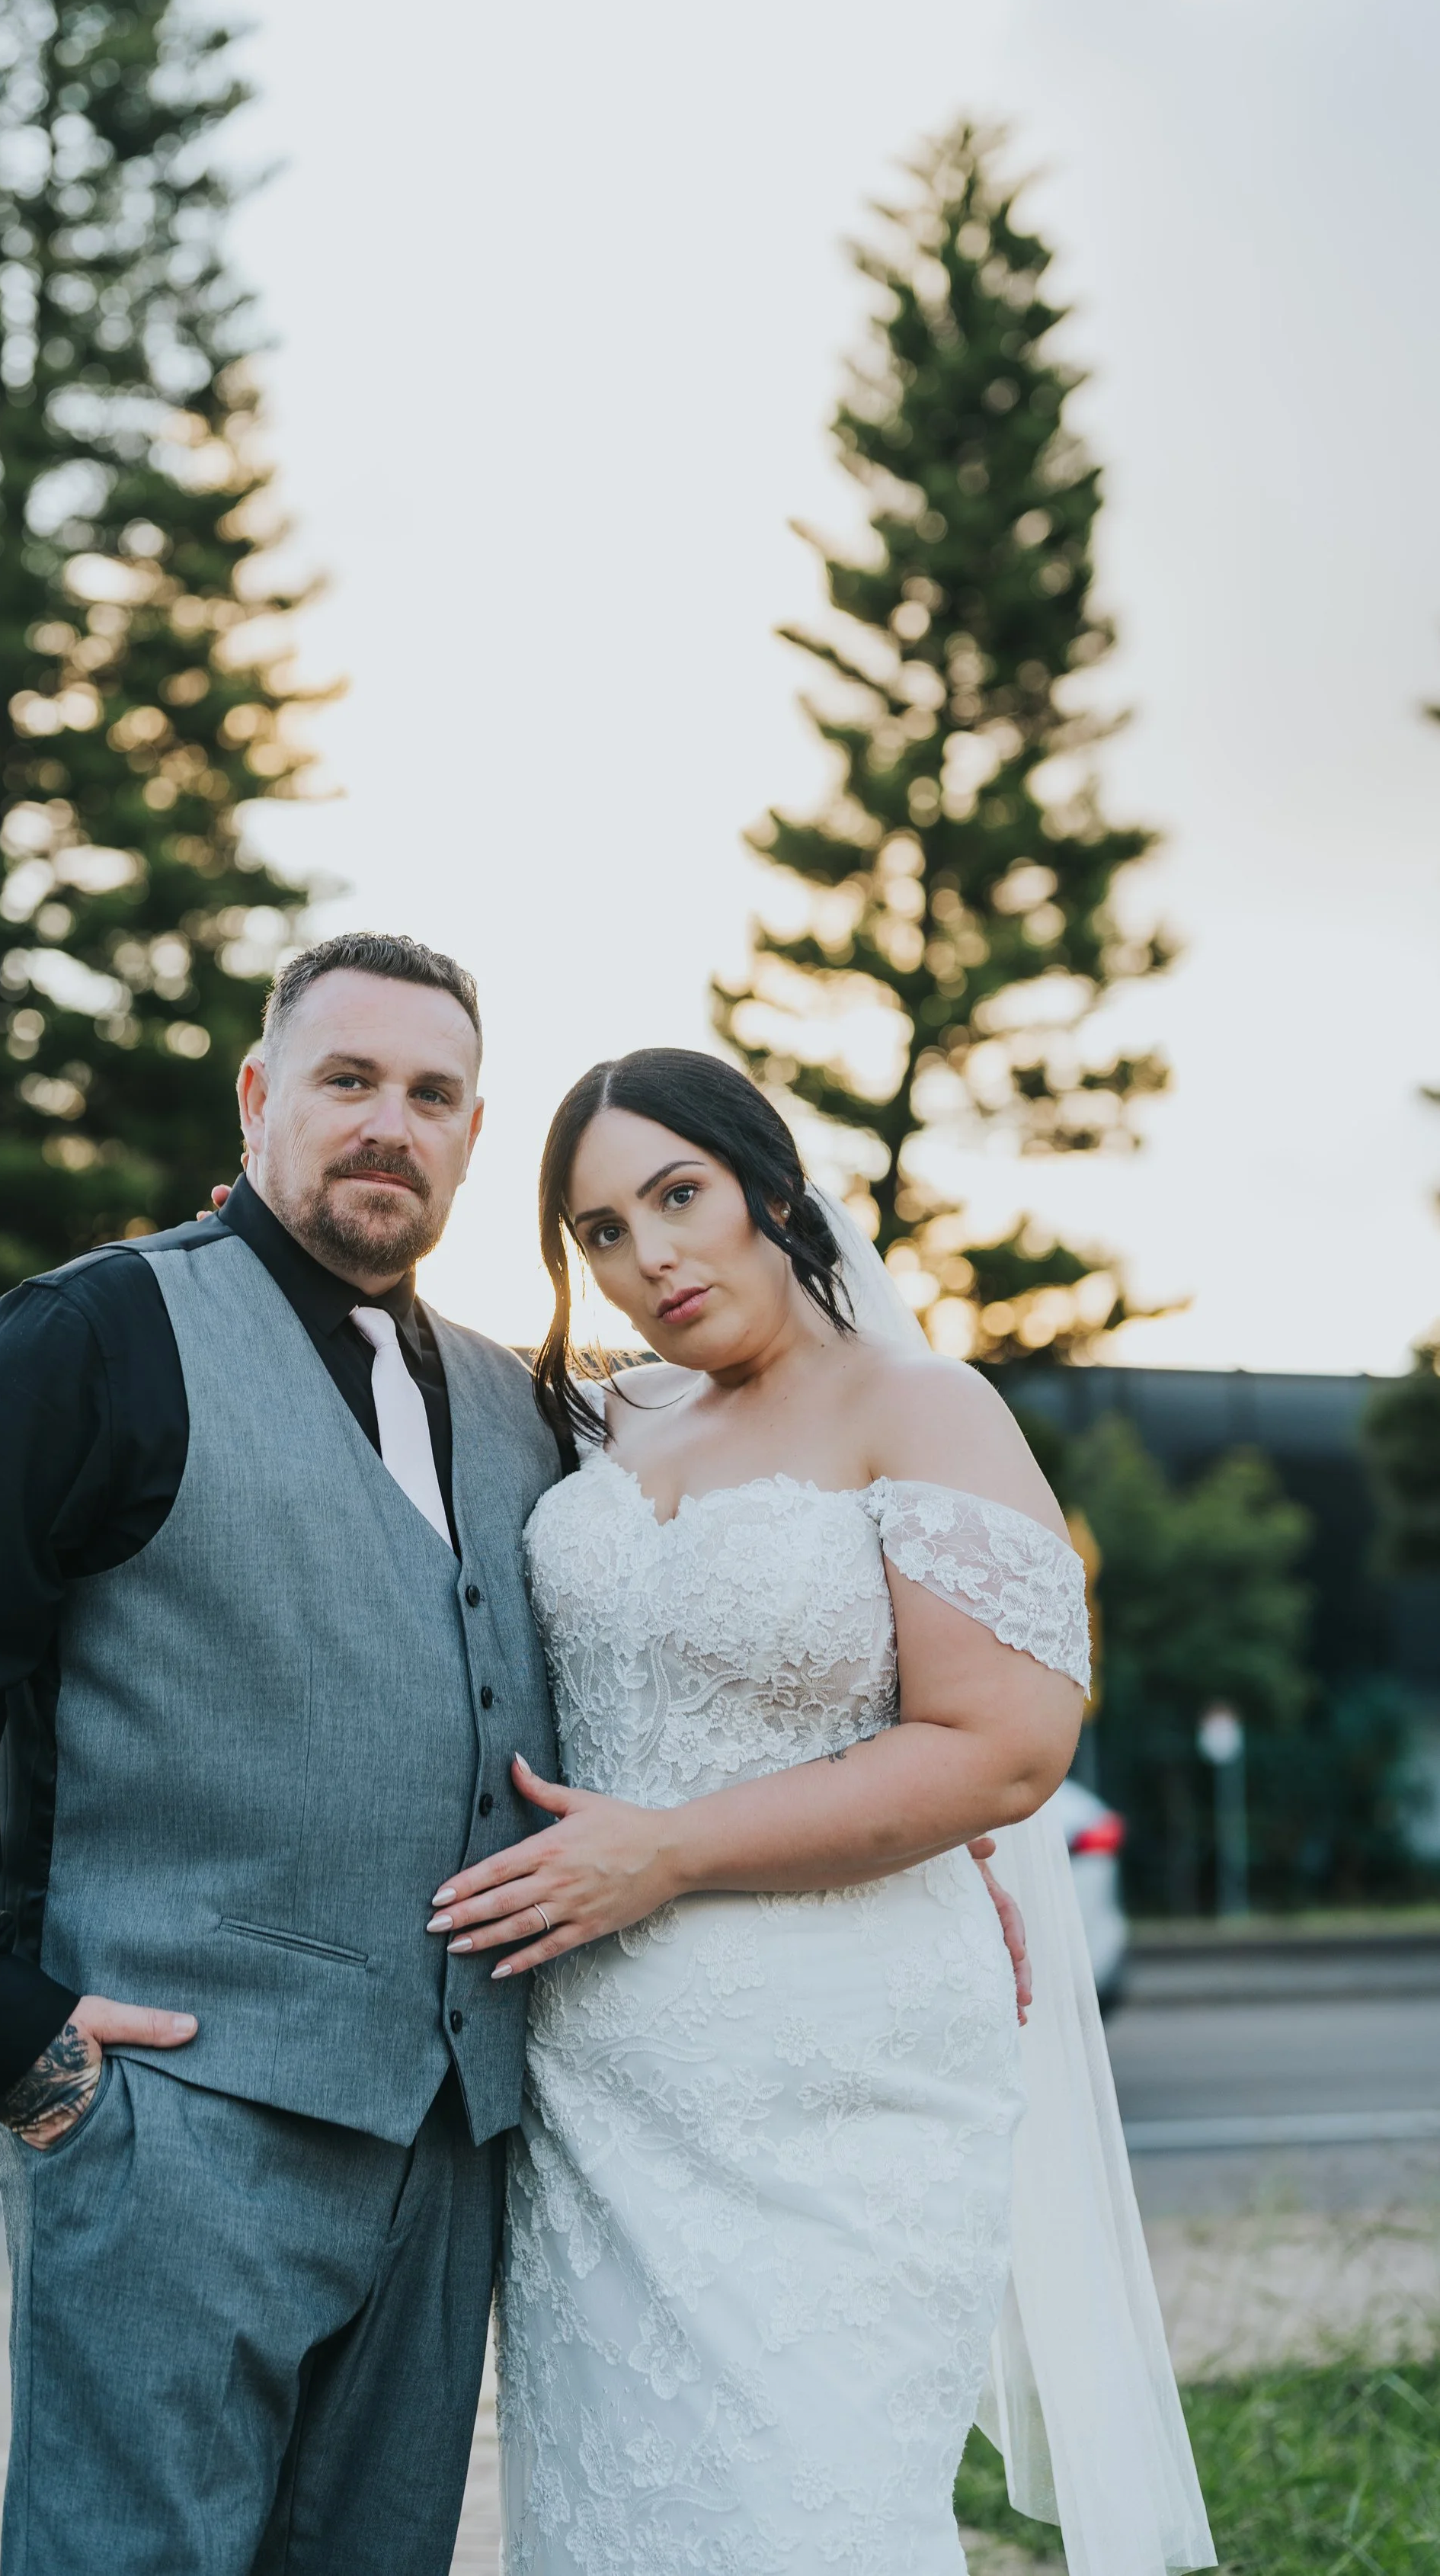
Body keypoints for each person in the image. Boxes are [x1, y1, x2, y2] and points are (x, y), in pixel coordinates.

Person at [0, 934, 568, 2576]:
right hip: (173, 2126)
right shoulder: (88, 1336)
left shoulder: (521, 1408)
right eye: (347, 1080)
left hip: (445, 2158)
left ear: (470, 1132)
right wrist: (5, 2035)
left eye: (430, 1095)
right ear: (258, 1097)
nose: (390, 1124)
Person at [428, 1047, 1215, 2576]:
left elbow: (999, 1750)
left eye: (677, 1197)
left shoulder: (922, 1405)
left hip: (840, 2085)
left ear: (771, 1193)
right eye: (596, 1231)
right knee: (613, 2526)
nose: (645, 1256)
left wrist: (668, 1852)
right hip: (594, 2099)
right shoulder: (584, 1426)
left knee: (813, 2513)